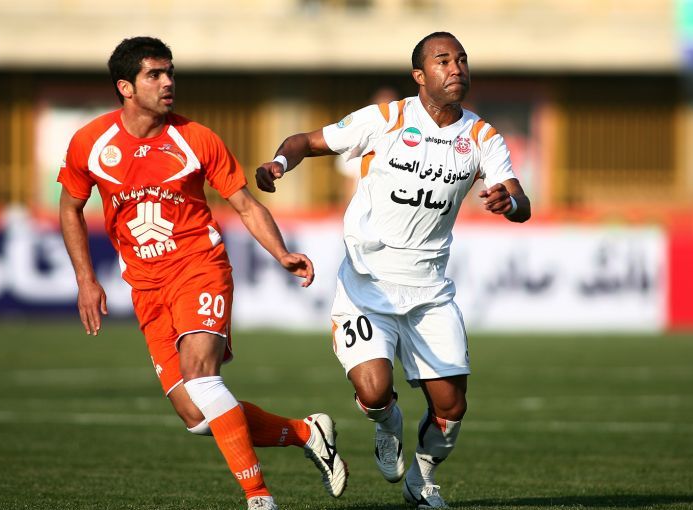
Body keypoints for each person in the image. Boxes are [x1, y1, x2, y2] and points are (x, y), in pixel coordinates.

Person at [57, 36, 347, 510]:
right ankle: (305, 432)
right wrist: (86, 280)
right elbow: (70, 208)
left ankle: (258, 497)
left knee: (201, 376)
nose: (167, 82)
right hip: (145, 285)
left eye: (170, 72)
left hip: (199, 267)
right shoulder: (91, 142)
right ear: (125, 87)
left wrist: (281, 253)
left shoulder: (196, 138)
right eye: (154, 74)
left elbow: (245, 204)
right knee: (195, 413)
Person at [255, 32, 531, 509]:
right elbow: (304, 141)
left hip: (430, 292)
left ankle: (421, 479)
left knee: (452, 408)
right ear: (419, 75)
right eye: (443, 60)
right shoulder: (386, 119)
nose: (456, 68)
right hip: (368, 285)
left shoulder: (482, 137)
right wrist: (279, 163)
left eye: (462, 59)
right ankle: (388, 425)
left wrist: (510, 203)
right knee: (374, 389)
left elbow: (521, 200)